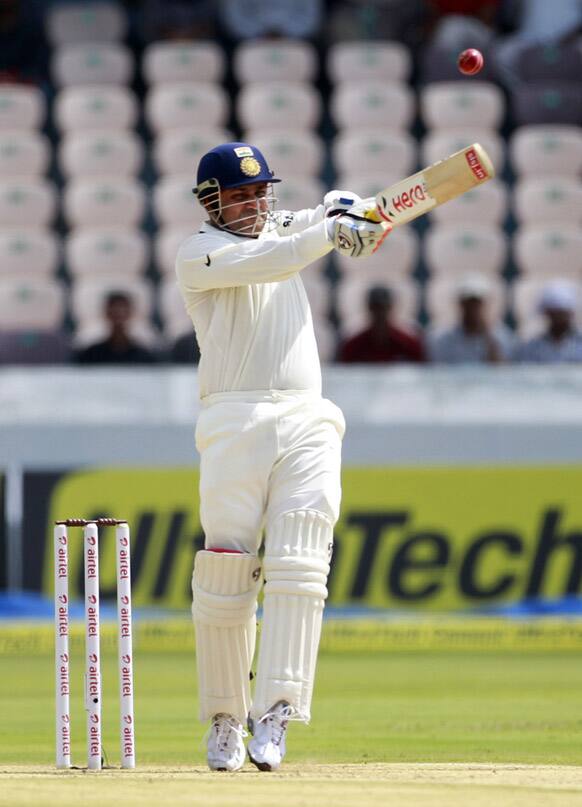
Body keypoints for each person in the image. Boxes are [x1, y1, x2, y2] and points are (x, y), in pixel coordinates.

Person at [175, 141, 390, 772]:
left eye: (258, 191)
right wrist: (333, 227)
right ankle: (224, 718)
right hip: (232, 419)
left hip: (307, 415)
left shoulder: (284, 224)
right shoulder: (198, 253)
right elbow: (278, 255)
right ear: (211, 202)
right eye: (237, 195)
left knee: (301, 565)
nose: (251, 203)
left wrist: (352, 213)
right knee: (225, 572)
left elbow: (311, 224)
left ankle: (276, 715)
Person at [428, 274, 513, 364]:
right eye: (468, 303)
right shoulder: (443, 340)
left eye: (477, 303)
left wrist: (489, 340)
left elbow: (503, 371)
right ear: (460, 305)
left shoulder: (503, 337)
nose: (472, 309)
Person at [338, 284, 425, 363]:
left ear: (391, 307)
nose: (380, 313)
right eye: (376, 307)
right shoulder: (353, 345)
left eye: (383, 307)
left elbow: (422, 372)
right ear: (369, 308)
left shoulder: (408, 343)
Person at [75, 291, 157, 365]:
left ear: (130, 314)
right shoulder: (90, 355)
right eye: (114, 311)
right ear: (106, 313)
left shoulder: (144, 356)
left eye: (123, 310)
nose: (118, 315)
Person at [514, 279, 582, 363]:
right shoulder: (532, 347)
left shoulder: (579, 342)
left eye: (563, 312)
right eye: (555, 312)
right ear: (547, 313)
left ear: (571, 313)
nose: (559, 317)